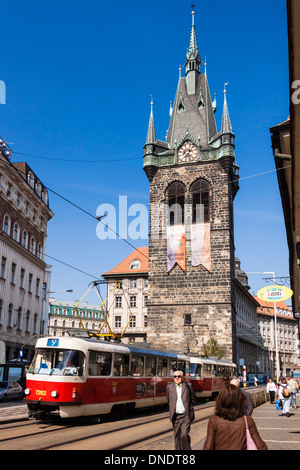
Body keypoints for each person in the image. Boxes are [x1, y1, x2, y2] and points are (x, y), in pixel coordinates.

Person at [203, 383, 268, 450]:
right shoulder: (247, 420)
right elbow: (261, 446)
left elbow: (208, 447)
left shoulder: (213, 420)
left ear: (220, 400)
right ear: (240, 400)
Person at [166, 370, 196, 450]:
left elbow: (193, 399)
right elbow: (168, 400)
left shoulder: (188, 386)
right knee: (177, 436)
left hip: (186, 415)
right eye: (175, 376)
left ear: (182, 378)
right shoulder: (169, 387)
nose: (177, 378)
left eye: (179, 376)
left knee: (184, 435)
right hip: (175, 416)